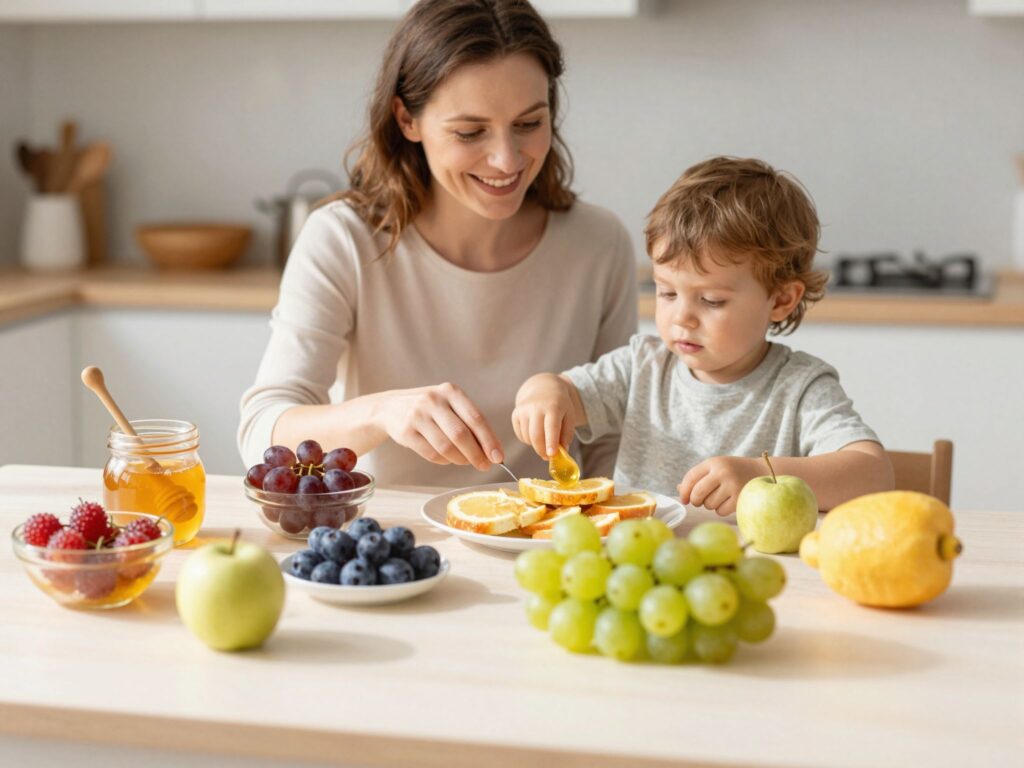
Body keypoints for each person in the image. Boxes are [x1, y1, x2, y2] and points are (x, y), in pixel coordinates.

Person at [239, 0, 637, 487]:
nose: (506, 159)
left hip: (547, 544)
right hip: (387, 546)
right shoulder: (343, 239)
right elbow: (262, 433)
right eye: (470, 131)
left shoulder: (599, 244)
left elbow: (612, 435)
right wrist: (382, 413)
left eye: (529, 123)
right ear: (408, 120)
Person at [512, 156, 894, 515]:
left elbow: (873, 474)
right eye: (666, 292)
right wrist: (542, 393)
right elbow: (562, 391)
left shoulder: (801, 388)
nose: (682, 317)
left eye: (711, 300)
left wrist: (760, 476)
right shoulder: (643, 366)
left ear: (780, 300)